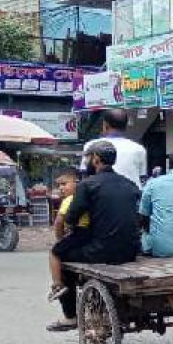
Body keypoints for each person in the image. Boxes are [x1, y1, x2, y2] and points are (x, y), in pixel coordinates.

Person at [47, 141, 141, 332]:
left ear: (96, 159)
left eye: (88, 158)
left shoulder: (88, 185)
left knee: (60, 256)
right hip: (131, 251)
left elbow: (71, 219)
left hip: (101, 252)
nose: (87, 162)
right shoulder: (130, 184)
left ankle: (70, 316)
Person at [47, 167, 88, 302]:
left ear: (76, 182)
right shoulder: (88, 197)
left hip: (79, 232)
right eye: (59, 185)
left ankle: (57, 284)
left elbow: (59, 222)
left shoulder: (70, 199)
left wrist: (60, 239)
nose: (61, 188)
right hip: (90, 235)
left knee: (54, 253)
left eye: (64, 184)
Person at [83, 108, 148, 189]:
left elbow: (84, 174)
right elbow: (142, 179)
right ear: (126, 126)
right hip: (131, 197)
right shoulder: (139, 149)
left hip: (98, 195)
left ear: (105, 125)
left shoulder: (91, 145)